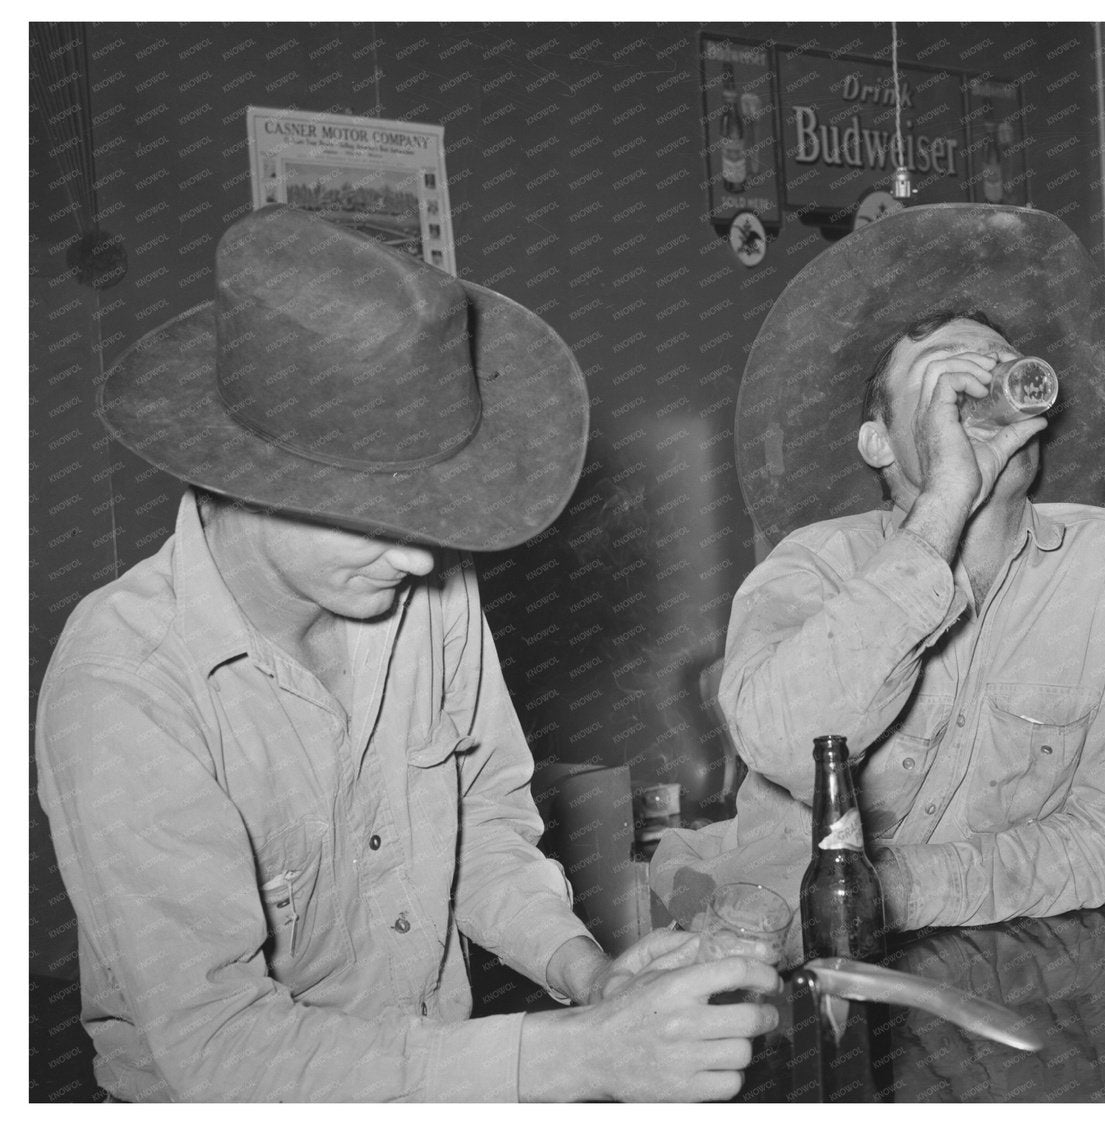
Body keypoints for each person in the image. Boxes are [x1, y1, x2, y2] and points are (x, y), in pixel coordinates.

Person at [34, 205, 776, 1102]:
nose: (423, 556)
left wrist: (591, 977)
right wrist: (583, 1052)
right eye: (382, 514)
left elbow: (482, 824)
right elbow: (224, 1049)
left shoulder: (418, 587)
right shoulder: (124, 682)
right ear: (246, 480)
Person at [650, 205, 1105, 936]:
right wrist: (947, 498)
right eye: (942, 386)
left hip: (996, 957)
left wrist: (888, 892)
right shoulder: (812, 564)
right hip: (788, 948)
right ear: (879, 442)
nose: (979, 392)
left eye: (997, 368)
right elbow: (784, 743)